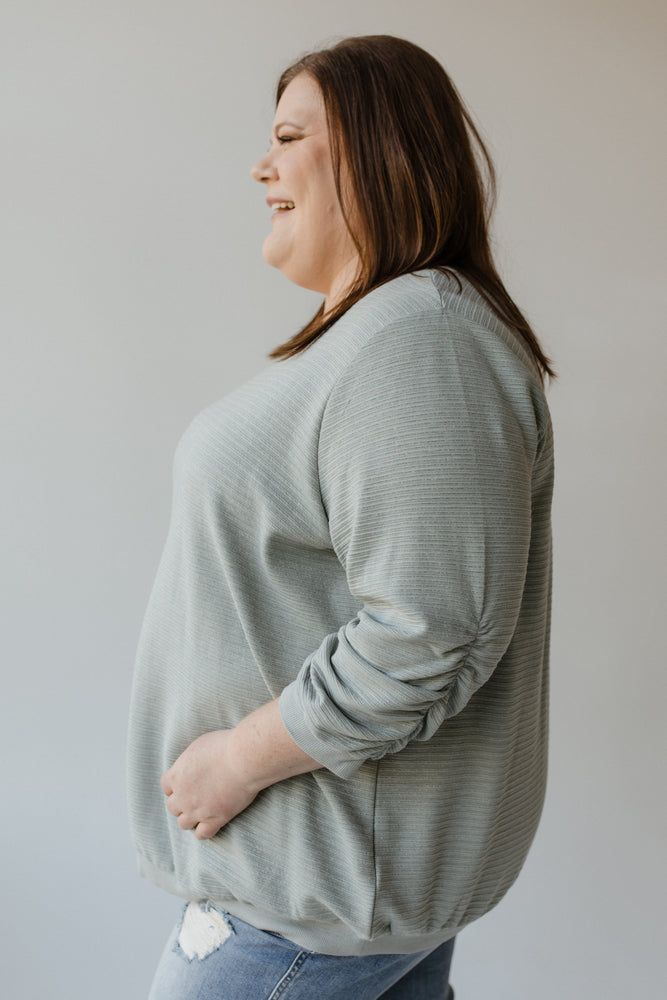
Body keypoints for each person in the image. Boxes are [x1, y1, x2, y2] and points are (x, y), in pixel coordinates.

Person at [127, 34, 554, 1000]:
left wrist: (236, 760)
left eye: (288, 135)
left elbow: (431, 629)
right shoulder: (388, 339)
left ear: (375, 148)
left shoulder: (422, 340)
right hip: (325, 894)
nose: (259, 165)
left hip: (299, 908)